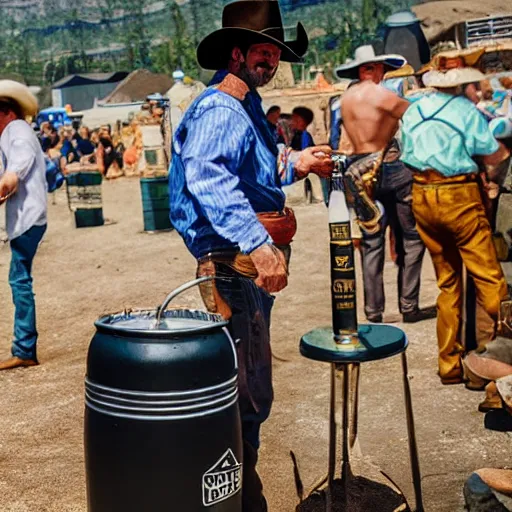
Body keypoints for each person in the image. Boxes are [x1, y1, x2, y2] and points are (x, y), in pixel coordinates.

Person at [168, 2, 333, 510]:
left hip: (239, 266)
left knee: (248, 389)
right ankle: (239, 499)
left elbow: (254, 170)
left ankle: (241, 493)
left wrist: (296, 160)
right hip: (231, 264)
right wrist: (260, 244)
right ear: (237, 54)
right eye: (262, 52)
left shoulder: (245, 107)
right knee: (241, 395)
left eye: (275, 54)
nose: (270, 62)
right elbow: (210, 179)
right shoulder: (222, 107)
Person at [400, 63, 510, 385]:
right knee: (491, 281)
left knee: (447, 284)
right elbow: (492, 155)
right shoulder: (465, 110)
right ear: (463, 84)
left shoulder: (415, 109)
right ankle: (497, 364)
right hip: (457, 196)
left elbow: (406, 155)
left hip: (423, 195)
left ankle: (449, 364)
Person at [335, 45, 429, 324]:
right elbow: (416, 117)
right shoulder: (381, 95)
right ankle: (409, 306)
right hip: (391, 167)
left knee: (371, 242)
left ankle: (373, 311)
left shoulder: (346, 99)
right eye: (381, 69)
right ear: (372, 69)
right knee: (412, 238)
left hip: (359, 172)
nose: (384, 74)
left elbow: (345, 142)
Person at [0, 80, 48, 371]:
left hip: (28, 218)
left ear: (4, 112)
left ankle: (24, 348)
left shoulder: (16, 131)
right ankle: (24, 346)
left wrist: (7, 182)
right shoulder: (14, 132)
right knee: (19, 279)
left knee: (19, 280)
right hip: (29, 217)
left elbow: (17, 166)